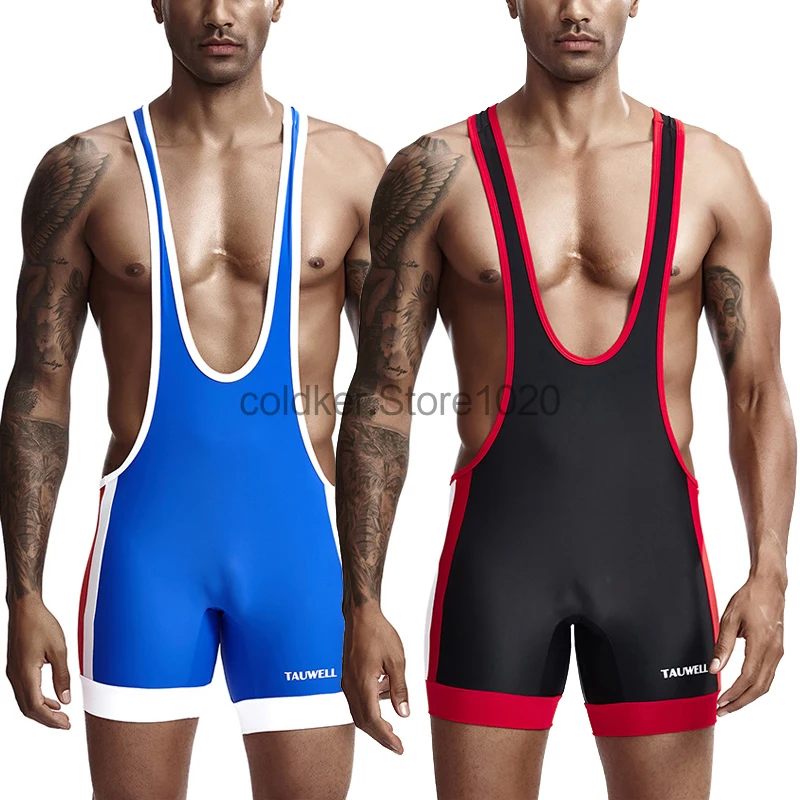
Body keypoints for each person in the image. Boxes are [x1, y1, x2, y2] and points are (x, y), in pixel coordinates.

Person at [336, 1, 794, 798]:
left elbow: (757, 392)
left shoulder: (711, 173)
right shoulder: (437, 172)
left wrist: (771, 572)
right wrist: (361, 604)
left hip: (655, 569)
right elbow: (381, 394)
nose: (576, 9)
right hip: (499, 566)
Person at [1, 1, 384, 797]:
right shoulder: (85, 171)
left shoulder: (350, 169)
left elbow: (387, 391)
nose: (218, 14)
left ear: (277, 2)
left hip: (299, 562)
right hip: (148, 557)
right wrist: (23, 594)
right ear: (156, 4)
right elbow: (40, 386)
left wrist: (370, 598)